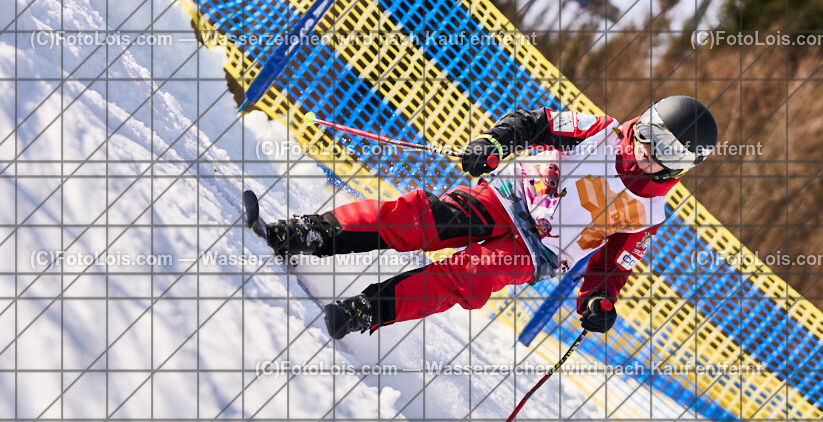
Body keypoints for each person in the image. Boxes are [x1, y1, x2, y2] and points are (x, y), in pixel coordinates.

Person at [263, 96, 718, 340]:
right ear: (643, 122)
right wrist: (496, 142)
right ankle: (311, 234)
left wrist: (598, 302)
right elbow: (535, 122)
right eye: (651, 135)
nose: (648, 153)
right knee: (425, 221)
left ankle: (367, 310)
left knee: (469, 275)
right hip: (510, 194)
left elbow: (610, 268)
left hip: (538, 249)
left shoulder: (650, 213)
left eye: (669, 152)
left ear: (682, 166)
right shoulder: (599, 131)